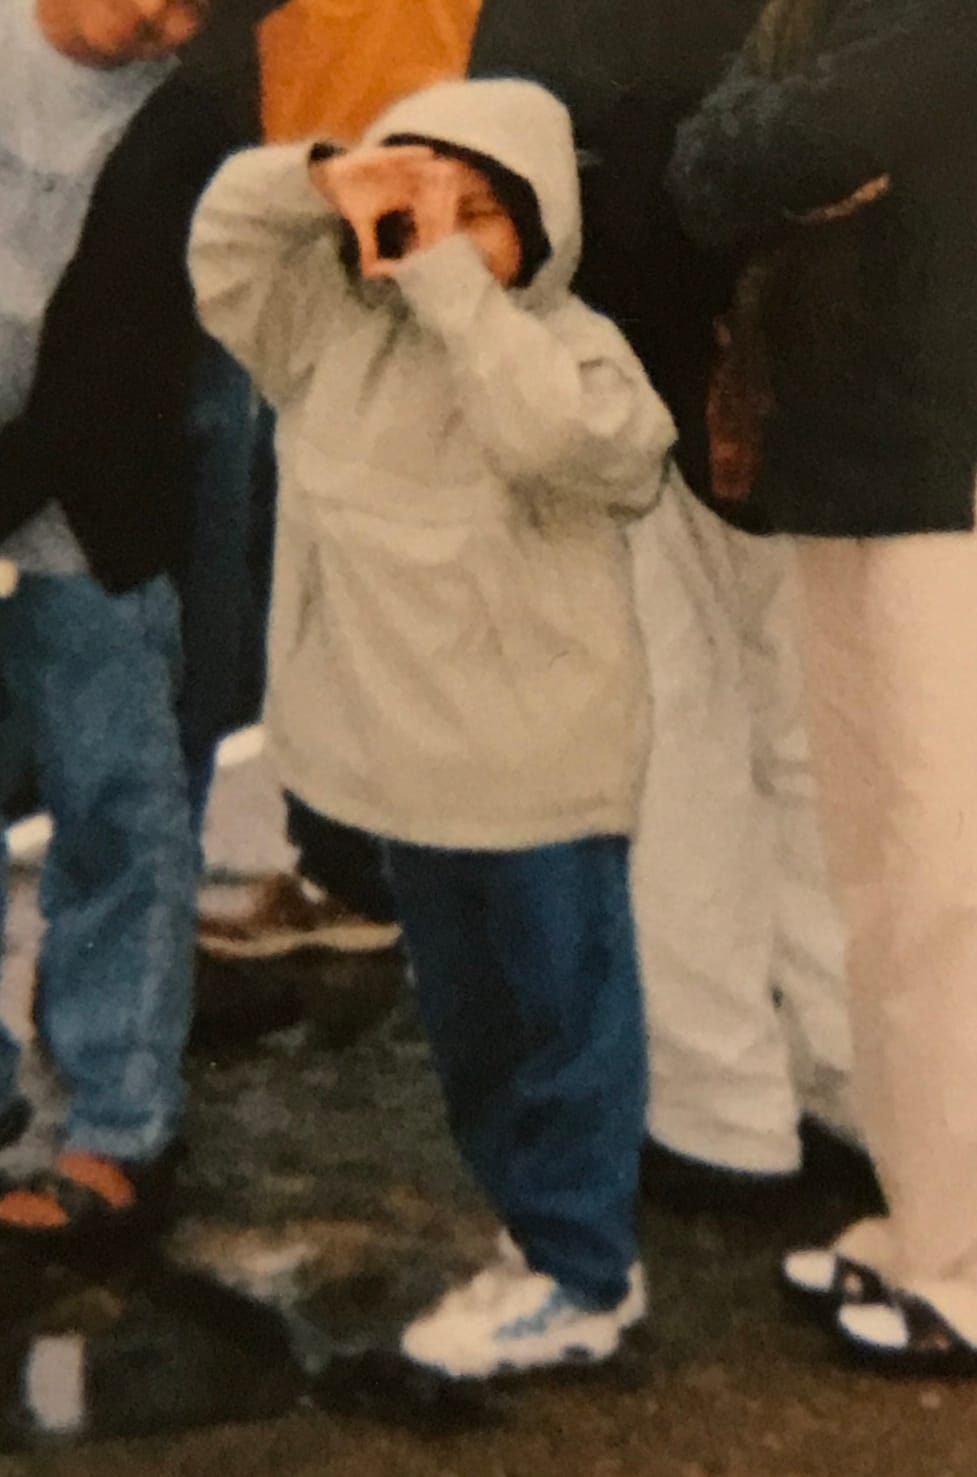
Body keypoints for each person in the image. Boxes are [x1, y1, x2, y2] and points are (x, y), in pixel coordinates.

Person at [190, 76, 675, 1377]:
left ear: (540, 227)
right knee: (470, 1039)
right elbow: (221, 248)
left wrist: (456, 288)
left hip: (542, 782)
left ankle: (582, 1277)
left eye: (482, 213)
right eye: (424, 206)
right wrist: (328, 178)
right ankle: (539, 1241)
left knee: (563, 1027)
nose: (444, 234)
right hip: (410, 788)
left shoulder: (573, 348)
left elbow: (565, 444)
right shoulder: (328, 337)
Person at [469, 0, 860, 1206]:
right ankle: (841, 1080)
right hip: (824, 388)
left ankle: (718, 1111)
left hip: (637, 379)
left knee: (679, 745)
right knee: (814, 747)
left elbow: (520, 171)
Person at [666, 0, 977, 1369]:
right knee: (879, 878)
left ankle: (962, 1263)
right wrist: (791, 157)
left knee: (942, 883)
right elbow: (703, 173)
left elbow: (819, 128)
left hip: (944, 483)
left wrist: (793, 152)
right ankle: (933, 1222)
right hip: (850, 468)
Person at [0, 0, 256, 1243]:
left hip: (90, 507)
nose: (168, 20)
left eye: (198, 7)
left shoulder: (192, 129)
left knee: (119, 805)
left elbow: (113, 367)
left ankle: (120, 1122)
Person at [196, 0, 485, 963]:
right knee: (337, 564)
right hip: (370, 199)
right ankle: (371, 864)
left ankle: (371, 875)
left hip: (369, 211)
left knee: (352, 567)